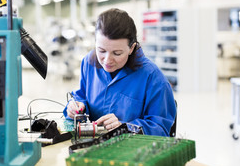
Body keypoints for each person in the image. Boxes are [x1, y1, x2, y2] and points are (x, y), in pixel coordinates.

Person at [63, 8, 176, 136]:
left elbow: (160, 129)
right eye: (101, 50)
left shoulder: (153, 78)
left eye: (117, 53)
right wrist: (78, 107)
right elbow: (82, 96)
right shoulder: (89, 62)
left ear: (131, 48)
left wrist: (125, 127)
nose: (107, 60)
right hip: (92, 145)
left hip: (129, 151)